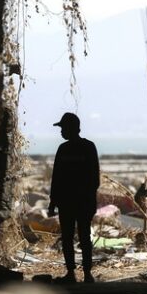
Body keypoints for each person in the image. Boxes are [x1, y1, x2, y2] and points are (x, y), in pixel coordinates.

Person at [48, 112, 100, 283]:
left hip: (70, 203)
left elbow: (57, 179)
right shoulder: (87, 147)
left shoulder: (65, 149)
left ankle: (75, 273)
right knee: (83, 237)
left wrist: (53, 202)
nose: (61, 131)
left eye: (63, 128)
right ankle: (85, 274)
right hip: (81, 202)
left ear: (72, 128)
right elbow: (95, 179)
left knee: (70, 237)